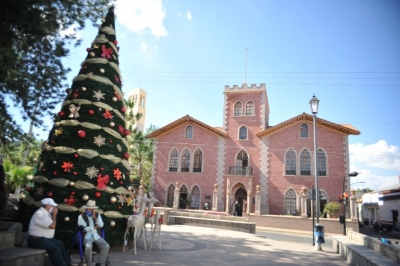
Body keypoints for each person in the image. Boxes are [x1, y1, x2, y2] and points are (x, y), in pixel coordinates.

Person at [27, 198, 72, 266]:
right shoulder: (40, 213)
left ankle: (68, 263)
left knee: (60, 244)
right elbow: (52, 226)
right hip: (36, 240)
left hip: (44, 239)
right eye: (52, 206)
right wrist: (54, 215)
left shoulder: (46, 213)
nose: (54, 208)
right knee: (54, 249)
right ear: (47, 206)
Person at [78, 200, 109, 266]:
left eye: (90, 209)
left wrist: (95, 218)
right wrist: (93, 227)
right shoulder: (81, 216)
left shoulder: (97, 215)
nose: (88, 210)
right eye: (88, 208)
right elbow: (84, 228)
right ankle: (88, 264)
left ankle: (99, 263)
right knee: (88, 247)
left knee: (106, 246)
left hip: (96, 235)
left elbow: (101, 225)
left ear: (93, 210)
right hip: (87, 236)